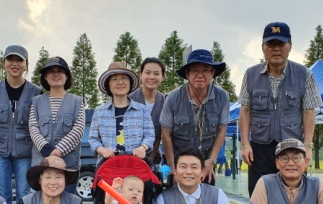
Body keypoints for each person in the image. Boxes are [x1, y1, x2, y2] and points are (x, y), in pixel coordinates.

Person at [238, 22, 322, 196]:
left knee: (294, 196)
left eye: (281, 44)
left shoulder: (304, 74)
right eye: (271, 44)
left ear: (290, 46)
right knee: (259, 195)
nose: (276, 49)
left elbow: (308, 111)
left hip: (292, 147)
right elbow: (245, 111)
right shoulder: (251, 74)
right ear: (263, 48)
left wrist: (307, 145)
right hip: (259, 147)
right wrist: (245, 144)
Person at [0, 45, 42, 204]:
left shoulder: (36, 91)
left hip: (25, 151)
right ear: (4, 63)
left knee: (24, 196)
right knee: (2, 196)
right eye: (10, 60)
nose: (15, 64)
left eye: (19, 60)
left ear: (27, 65)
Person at [160, 49, 230, 185]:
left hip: (206, 162)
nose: (200, 75)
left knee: (207, 202)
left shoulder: (222, 96)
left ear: (213, 73)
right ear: (187, 74)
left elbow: (222, 130)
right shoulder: (173, 98)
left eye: (205, 70)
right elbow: (165, 133)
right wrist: (174, 167)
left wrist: (211, 160)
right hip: (179, 163)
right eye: (195, 70)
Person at [29, 56, 85, 194]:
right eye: (51, 72)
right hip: (41, 164)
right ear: (45, 78)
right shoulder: (36, 102)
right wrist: (48, 151)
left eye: (60, 71)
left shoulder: (77, 102)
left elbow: (78, 130)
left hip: (68, 166)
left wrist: (57, 153)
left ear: (67, 77)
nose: (56, 74)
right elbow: (33, 127)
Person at [89, 62, 154, 162]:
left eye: (124, 78)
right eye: (115, 79)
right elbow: (93, 139)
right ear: (108, 85)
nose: (120, 82)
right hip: (108, 165)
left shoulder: (142, 110)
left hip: (136, 164)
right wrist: (103, 151)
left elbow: (149, 135)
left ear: (130, 82)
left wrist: (142, 148)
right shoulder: (99, 112)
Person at [128, 57, 166, 164]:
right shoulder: (129, 100)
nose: (151, 77)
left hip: (153, 158)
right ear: (140, 75)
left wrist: (150, 159)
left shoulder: (166, 102)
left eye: (156, 74)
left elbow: (161, 135)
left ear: (162, 77)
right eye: (147, 73)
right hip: (129, 157)